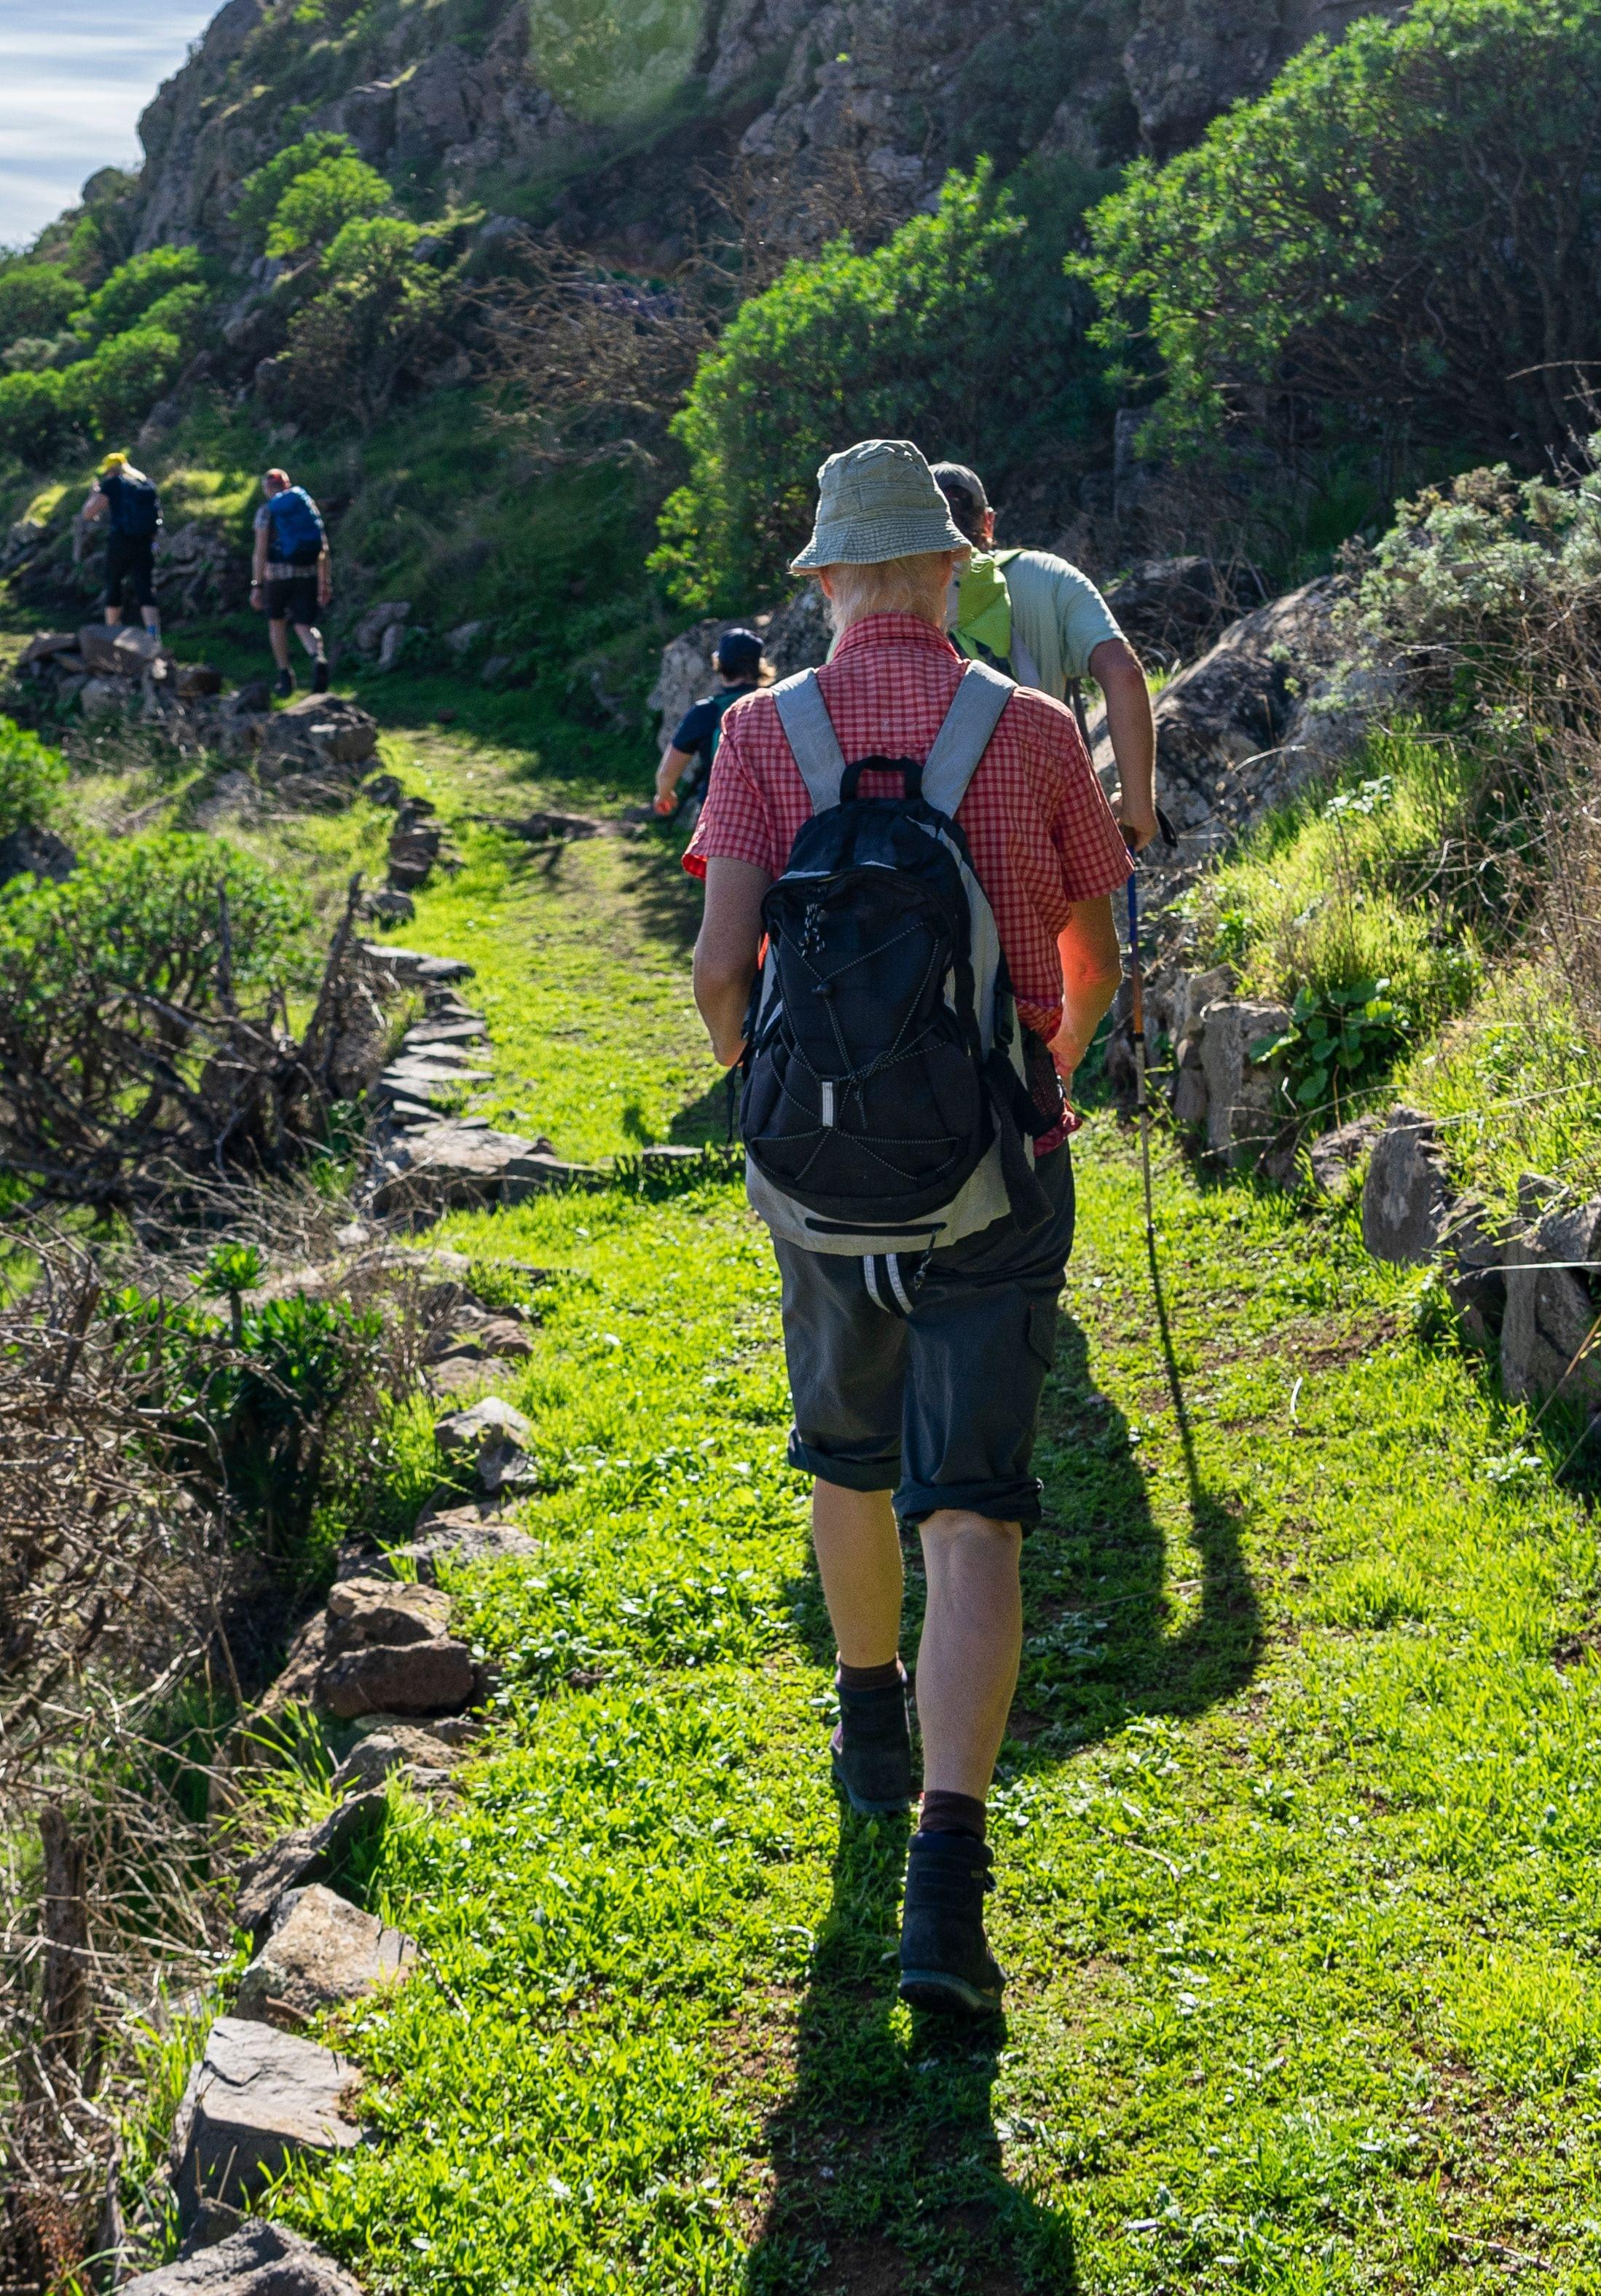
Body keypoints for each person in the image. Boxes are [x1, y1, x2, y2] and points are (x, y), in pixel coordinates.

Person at [688, 440, 1128, 2020]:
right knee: (977, 1515)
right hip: (999, 1174)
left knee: (846, 1460)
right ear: (953, 570)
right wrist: (1039, 1080)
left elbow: (718, 971)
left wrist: (791, 1114)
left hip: (821, 1191)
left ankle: (865, 1714)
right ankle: (949, 1880)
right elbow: (1093, 962)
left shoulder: (758, 730)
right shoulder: (1024, 730)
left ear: (822, 585)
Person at [924, 462, 1163, 851]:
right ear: (988, 523)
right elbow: (1124, 674)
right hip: (1040, 830)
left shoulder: (893, 602)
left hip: (937, 846)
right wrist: (1138, 805)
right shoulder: (1049, 574)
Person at [652, 624, 768, 827]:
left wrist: (664, 795)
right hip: (770, 813)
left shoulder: (705, 712)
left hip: (719, 813)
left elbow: (667, 772)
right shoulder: (777, 704)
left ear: (719, 664)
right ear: (759, 666)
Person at [251, 468, 336, 685]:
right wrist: (325, 582)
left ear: (267, 489)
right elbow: (323, 547)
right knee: (303, 624)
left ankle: (285, 675)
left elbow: (260, 552)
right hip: (307, 573)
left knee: (276, 623)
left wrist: (257, 585)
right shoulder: (306, 505)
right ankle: (317, 657)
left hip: (276, 576)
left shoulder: (267, 511)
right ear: (287, 485)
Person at [79, 449, 167, 639]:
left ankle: (111, 633)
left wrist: (93, 495)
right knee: (145, 585)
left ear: (109, 469)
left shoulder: (112, 483)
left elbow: (88, 514)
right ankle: (153, 634)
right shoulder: (143, 482)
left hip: (120, 540)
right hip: (145, 541)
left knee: (114, 582)